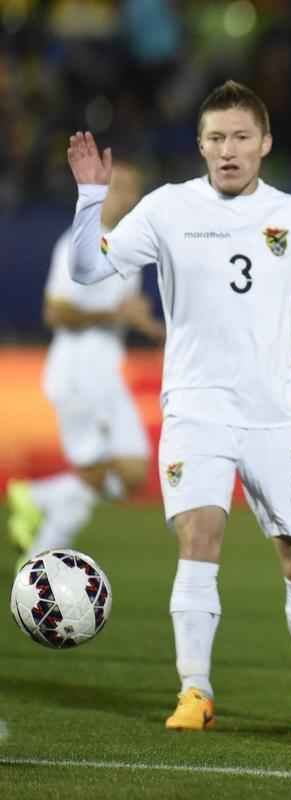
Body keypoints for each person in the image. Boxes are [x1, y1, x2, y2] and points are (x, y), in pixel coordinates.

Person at [65, 80, 291, 732]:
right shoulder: (167, 208)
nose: (227, 150)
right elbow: (90, 272)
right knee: (199, 538)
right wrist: (92, 197)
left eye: (239, 137)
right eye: (214, 138)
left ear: (263, 143)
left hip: (274, 413)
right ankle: (194, 693)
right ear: (200, 145)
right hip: (195, 407)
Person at [7, 158, 164, 565]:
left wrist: (154, 329)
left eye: (134, 189)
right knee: (95, 476)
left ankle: (36, 497)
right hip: (77, 373)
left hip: (106, 374)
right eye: (122, 187)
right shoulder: (78, 241)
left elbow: (121, 310)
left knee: (132, 473)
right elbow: (55, 312)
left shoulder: (126, 247)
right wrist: (116, 315)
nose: (130, 196)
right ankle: (38, 558)